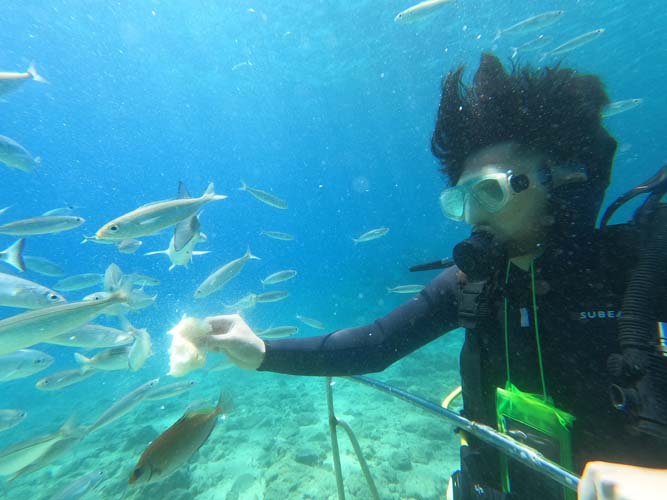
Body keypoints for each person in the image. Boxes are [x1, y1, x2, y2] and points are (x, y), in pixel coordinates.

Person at [183, 54, 667, 499]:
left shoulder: (638, 270)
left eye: (489, 192)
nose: (474, 216)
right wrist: (261, 351)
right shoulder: (473, 284)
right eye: (461, 200)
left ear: (555, 180)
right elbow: (375, 345)